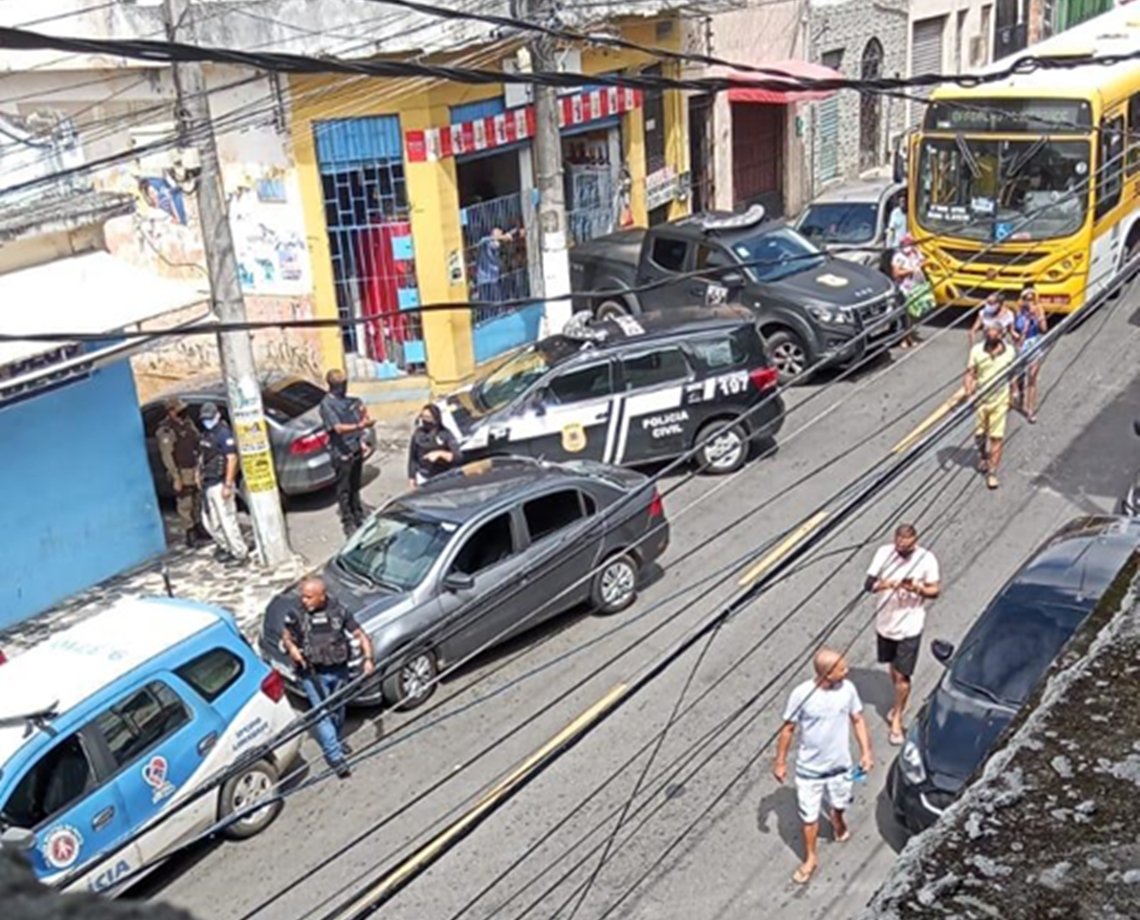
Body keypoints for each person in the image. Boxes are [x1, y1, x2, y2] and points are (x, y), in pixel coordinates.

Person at [772, 648, 873, 885]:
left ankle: (837, 819)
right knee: (809, 817)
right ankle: (810, 858)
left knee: (839, 803)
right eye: (842, 669)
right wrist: (780, 762)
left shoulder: (848, 689)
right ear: (827, 674)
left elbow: (857, 719)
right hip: (810, 771)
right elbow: (788, 729)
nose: (847, 671)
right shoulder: (801, 695)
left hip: (840, 766)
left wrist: (866, 752)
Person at [281, 576, 374, 779]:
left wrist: (368, 659)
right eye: (303, 596)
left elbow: (359, 634)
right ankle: (335, 757)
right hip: (312, 674)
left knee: (338, 710)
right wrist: (293, 649)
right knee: (323, 714)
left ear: (322, 597)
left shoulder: (338, 611)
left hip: (338, 670)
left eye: (309, 597)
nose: (304, 601)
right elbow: (286, 636)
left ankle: (336, 741)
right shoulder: (296, 614)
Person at [865, 523, 941, 746]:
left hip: (910, 626)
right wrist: (889, 584)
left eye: (907, 547)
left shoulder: (926, 559)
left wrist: (916, 588)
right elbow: (869, 584)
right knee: (892, 667)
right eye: (899, 546)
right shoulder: (883, 554)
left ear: (915, 542)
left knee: (902, 676)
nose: (903, 551)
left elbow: (934, 590)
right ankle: (900, 700)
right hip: (886, 622)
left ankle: (897, 716)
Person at [319, 369, 375, 536]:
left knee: (355, 486)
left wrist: (362, 439)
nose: (343, 388)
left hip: (355, 449)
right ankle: (348, 521)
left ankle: (359, 515)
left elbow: (360, 413)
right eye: (340, 385)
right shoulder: (327, 405)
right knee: (344, 489)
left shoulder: (349, 401)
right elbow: (338, 428)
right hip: (341, 452)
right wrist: (360, 426)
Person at [965, 321, 1017, 490]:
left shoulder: (1009, 352)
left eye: (993, 333)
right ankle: (982, 455)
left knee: (996, 437)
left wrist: (1014, 392)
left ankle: (992, 473)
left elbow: (1013, 374)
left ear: (1001, 334)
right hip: (981, 400)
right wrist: (969, 393)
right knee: (980, 435)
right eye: (987, 332)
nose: (989, 335)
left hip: (1000, 400)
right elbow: (970, 374)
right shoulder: (976, 351)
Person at [197, 401, 249, 564]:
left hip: (220, 484)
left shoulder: (223, 434)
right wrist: (198, 474)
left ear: (217, 416)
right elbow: (203, 456)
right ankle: (226, 547)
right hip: (207, 483)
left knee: (227, 520)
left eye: (210, 418)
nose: (207, 421)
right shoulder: (206, 434)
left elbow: (232, 459)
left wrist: (228, 484)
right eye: (205, 419)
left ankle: (240, 553)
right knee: (211, 521)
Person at [156, 397, 206, 548]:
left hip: (194, 467)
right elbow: (167, 455)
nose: (183, 412)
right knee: (185, 503)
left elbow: (196, 439)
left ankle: (199, 527)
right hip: (181, 470)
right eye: (179, 410)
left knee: (197, 499)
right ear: (171, 411)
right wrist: (175, 476)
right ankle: (190, 533)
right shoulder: (166, 430)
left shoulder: (188, 423)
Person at [891, 234, 935, 349]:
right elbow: (896, 273)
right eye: (907, 243)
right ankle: (905, 339)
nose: (909, 245)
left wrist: (924, 264)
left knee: (915, 313)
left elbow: (923, 262)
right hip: (905, 289)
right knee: (907, 314)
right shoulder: (898, 257)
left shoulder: (916, 253)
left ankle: (909, 336)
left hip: (917, 286)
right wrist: (911, 270)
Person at [1011, 286, 1048, 424]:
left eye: (1032, 299)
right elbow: (1013, 329)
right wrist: (1015, 335)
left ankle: (1030, 409)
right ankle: (1016, 393)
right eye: (1026, 299)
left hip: (1034, 343)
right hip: (1021, 345)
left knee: (1032, 378)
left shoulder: (1038, 309)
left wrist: (1038, 317)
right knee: (1016, 373)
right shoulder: (1018, 311)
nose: (1029, 302)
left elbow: (1044, 329)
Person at [407, 403, 461, 487]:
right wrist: (412, 477)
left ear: (435, 419)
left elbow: (457, 456)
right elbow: (412, 457)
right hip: (423, 476)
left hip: (442, 476)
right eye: (423, 416)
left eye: (428, 417)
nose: (425, 420)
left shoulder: (444, 434)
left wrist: (440, 454)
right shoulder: (418, 434)